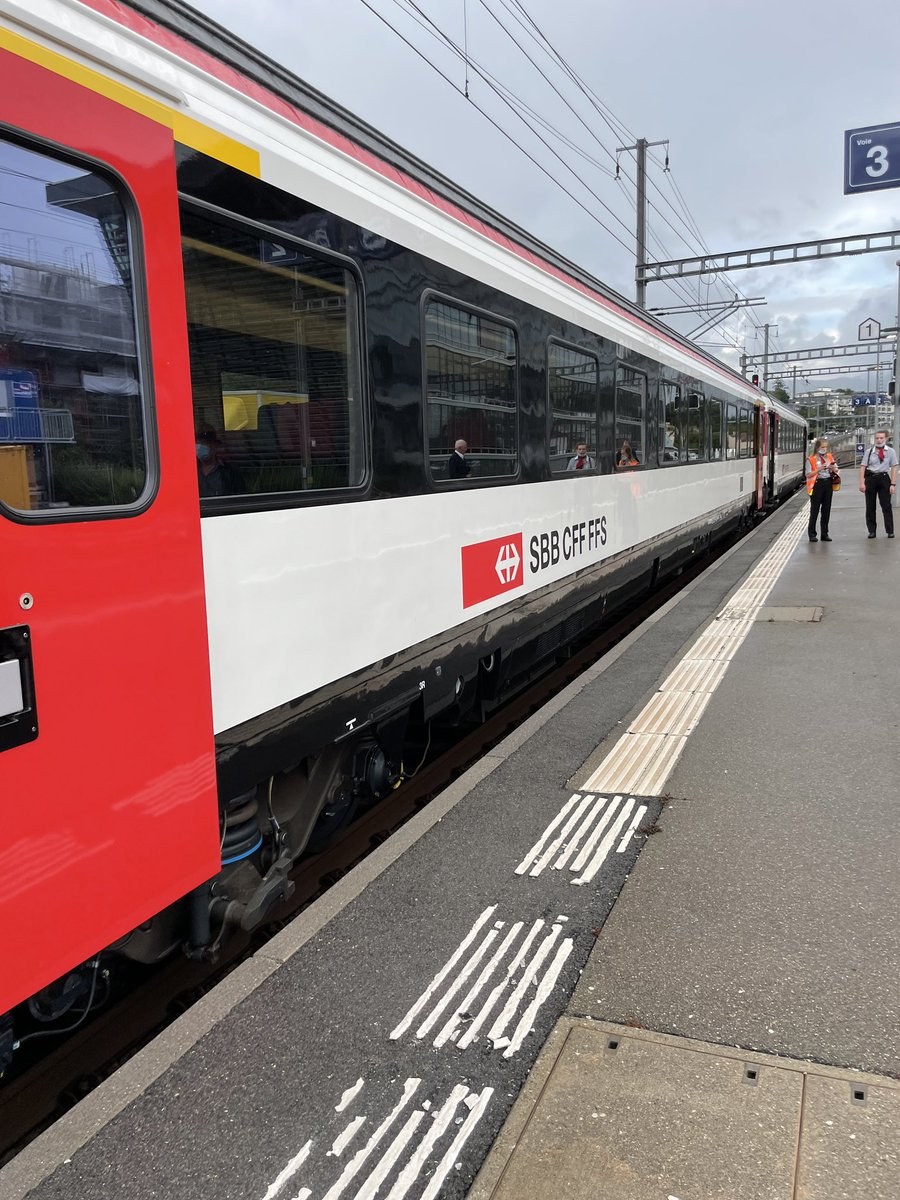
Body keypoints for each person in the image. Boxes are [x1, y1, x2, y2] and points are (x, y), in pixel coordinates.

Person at [858, 429, 898, 538]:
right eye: (877, 438)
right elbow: (863, 467)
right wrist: (861, 483)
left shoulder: (891, 451)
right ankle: (872, 531)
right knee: (870, 506)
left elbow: (894, 467)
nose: (879, 440)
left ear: (886, 439)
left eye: (881, 438)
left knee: (886, 505)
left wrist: (893, 484)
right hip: (871, 478)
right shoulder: (869, 452)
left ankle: (890, 531)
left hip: (884, 478)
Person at [805, 436, 838, 541]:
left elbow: (836, 469)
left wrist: (833, 468)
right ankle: (812, 534)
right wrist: (819, 469)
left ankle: (824, 533)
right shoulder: (811, 459)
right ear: (817, 447)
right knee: (814, 510)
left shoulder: (829, 457)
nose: (824, 449)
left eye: (826, 447)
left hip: (828, 483)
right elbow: (808, 474)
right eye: (822, 447)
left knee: (826, 510)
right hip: (816, 485)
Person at [196, 430, 243, 497]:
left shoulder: (230, 472)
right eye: (199, 443)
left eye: (205, 443)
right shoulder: (189, 471)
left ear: (215, 446)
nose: (201, 447)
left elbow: (239, 498)